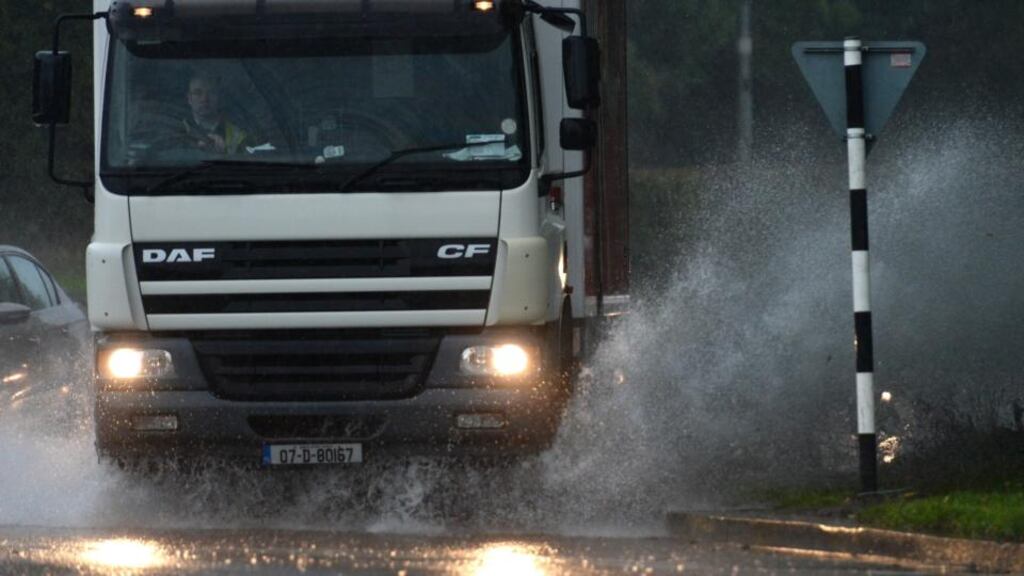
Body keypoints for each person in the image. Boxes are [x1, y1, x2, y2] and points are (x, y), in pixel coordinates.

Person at [181, 72, 251, 155]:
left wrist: (224, 155)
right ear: (189, 98)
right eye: (198, 93)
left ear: (219, 97)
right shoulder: (178, 129)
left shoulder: (238, 136)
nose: (204, 99)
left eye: (211, 92)